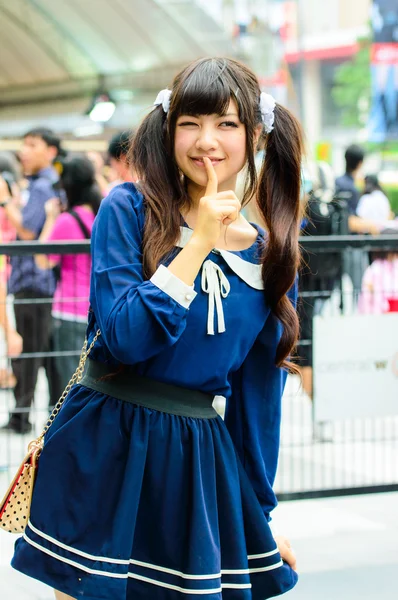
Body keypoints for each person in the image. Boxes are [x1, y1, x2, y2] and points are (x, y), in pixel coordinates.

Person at [11, 57, 302, 600]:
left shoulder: (270, 251)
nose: (205, 141)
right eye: (189, 123)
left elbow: (258, 398)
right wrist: (198, 244)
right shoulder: (128, 209)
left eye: (226, 124)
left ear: (256, 135)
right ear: (168, 130)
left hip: (195, 459)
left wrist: (257, 514)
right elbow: (126, 337)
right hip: (104, 440)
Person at [0, 127, 63, 433]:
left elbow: (27, 232)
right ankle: (46, 417)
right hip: (39, 283)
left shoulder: (41, 187)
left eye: (32, 144)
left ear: (50, 151)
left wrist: (4, 202)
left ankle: (20, 419)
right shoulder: (45, 184)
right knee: (44, 354)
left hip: (33, 283)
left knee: (29, 353)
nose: (24, 151)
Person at [35, 156, 100, 391]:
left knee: (70, 382)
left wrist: (51, 217)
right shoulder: (102, 214)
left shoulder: (66, 221)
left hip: (69, 311)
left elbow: (43, 260)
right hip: (97, 309)